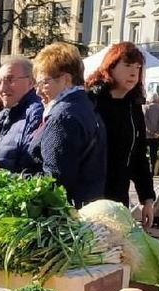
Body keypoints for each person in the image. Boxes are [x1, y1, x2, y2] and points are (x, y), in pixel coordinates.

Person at [85, 42, 156, 226]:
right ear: (111, 67)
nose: (134, 72)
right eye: (127, 65)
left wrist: (147, 198)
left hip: (118, 198)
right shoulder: (91, 102)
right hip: (88, 199)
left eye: (138, 67)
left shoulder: (134, 107)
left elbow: (139, 155)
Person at [32, 43, 105, 207]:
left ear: (66, 79)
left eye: (44, 83)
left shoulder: (62, 117)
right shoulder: (86, 106)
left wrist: (17, 178)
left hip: (65, 214)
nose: (38, 91)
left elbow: (54, 181)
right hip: (87, 205)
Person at [0, 55, 44, 173]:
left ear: (31, 82)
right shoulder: (5, 117)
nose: (3, 89)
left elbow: (31, 168)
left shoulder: (36, 113)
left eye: (10, 80)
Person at [143, 91, 159, 174]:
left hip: (146, 135)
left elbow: (145, 122)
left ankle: (144, 170)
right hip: (156, 136)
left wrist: (151, 131)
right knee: (153, 154)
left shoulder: (146, 107)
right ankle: (152, 171)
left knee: (143, 153)